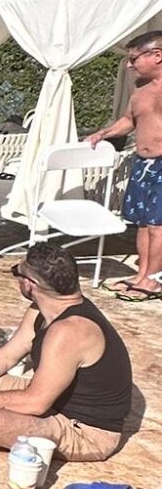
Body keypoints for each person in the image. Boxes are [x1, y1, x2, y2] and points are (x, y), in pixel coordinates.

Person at [0, 242, 133, 463]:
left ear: (30, 284)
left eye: (17, 272)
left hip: (83, 431)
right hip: (50, 397)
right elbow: (7, 355)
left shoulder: (70, 331)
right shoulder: (43, 309)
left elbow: (35, 403)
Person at [88, 27, 162, 299]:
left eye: (134, 59)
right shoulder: (140, 89)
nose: (129, 65)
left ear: (157, 56)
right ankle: (141, 275)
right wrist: (104, 133)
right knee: (142, 223)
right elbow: (128, 121)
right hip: (142, 164)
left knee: (158, 225)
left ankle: (153, 281)